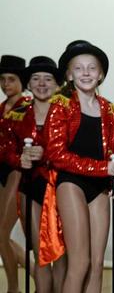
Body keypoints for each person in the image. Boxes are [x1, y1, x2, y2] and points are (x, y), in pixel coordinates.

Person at [39, 40, 114, 293]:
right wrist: (102, 169)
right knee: (80, 262)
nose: (87, 73)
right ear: (69, 75)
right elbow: (56, 154)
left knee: (97, 263)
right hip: (71, 183)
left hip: (99, 188)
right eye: (79, 68)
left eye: (92, 68)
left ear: (101, 74)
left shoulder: (111, 111)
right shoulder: (61, 106)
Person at [4, 56, 67, 292]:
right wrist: (19, 158)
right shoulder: (17, 114)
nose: (41, 83)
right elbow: (6, 149)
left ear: (57, 84)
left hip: (61, 187)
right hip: (29, 186)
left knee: (61, 251)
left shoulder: (68, 113)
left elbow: (74, 149)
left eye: (48, 78)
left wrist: (47, 153)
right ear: (28, 83)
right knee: (40, 252)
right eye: (36, 78)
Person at [0, 54, 30, 293]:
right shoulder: (2, 108)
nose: (6, 84)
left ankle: (12, 288)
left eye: (11, 79)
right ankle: (34, 269)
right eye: (2, 79)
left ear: (21, 80)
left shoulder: (27, 107)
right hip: (2, 171)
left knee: (1, 233)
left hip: (17, 172)